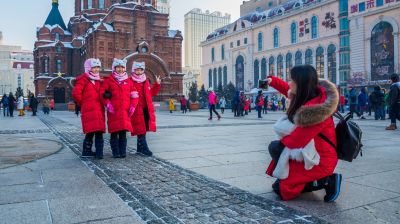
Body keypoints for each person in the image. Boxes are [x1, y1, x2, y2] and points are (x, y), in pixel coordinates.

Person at [265, 65, 341, 202]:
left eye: (291, 80)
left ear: (301, 83)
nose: (289, 83)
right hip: (309, 152)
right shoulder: (308, 96)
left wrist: (281, 148)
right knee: (277, 153)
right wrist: (272, 80)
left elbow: (297, 140)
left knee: (282, 190)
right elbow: (286, 89)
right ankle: (299, 177)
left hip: (321, 159)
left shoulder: (318, 111)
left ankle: (327, 180)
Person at [101, 58, 139, 158]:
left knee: (123, 133)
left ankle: (122, 151)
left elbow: (135, 95)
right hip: (113, 111)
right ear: (114, 68)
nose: (120, 69)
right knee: (114, 133)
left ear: (125, 69)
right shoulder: (109, 80)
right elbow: (103, 94)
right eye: (118, 67)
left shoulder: (129, 81)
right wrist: (108, 104)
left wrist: (133, 107)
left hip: (125, 112)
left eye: (122, 67)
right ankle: (115, 152)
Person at [72, 58, 106, 159]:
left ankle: (99, 152)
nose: (96, 70)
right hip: (89, 110)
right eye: (94, 68)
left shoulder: (99, 80)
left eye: (97, 68)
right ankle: (87, 151)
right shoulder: (83, 79)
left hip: (99, 110)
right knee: (90, 131)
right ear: (88, 68)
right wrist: (84, 103)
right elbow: (76, 93)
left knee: (99, 131)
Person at [129, 61, 161, 157]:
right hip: (137, 109)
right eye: (137, 70)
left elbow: (151, 93)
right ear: (133, 70)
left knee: (144, 129)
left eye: (141, 70)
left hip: (146, 108)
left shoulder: (145, 81)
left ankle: (140, 148)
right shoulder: (130, 81)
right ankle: (144, 148)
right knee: (140, 129)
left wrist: (157, 84)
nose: (139, 72)